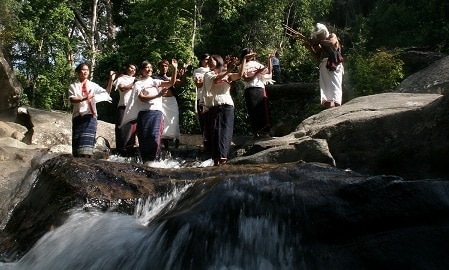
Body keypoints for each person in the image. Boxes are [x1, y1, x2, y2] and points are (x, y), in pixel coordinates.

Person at [122, 59, 178, 163]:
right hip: (144, 114)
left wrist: (174, 68)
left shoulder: (154, 81)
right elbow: (142, 98)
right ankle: (146, 161)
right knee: (144, 138)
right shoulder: (138, 84)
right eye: (147, 67)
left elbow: (171, 83)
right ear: (142, 70)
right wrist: (158, 95)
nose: (149, 69)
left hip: (156, 112)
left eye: (151, 68)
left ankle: (155, 161)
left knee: (154, 136)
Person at [203, 53, 253, 166]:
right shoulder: (208, 74)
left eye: (212, 60)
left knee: (226, 132)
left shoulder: (228, 75)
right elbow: (216, 79)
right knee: (217, 132)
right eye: (209, 60)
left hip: (228, 105)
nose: (210, 62)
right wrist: (227, 70)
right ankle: (217, 159)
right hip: (216, 105)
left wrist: (244, 59)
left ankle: (223, 158)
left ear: (218, 61)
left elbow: (240, 75)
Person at [68, 63, 114, 158]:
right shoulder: (73, 86)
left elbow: (106, 92)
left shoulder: (92, 85)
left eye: (87, 70)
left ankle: (87, 162)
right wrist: (85, 98)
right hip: (79, 117)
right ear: (78, 72)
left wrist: (111, 80)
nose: (85, 72)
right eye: (83, 69)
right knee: (78, 144)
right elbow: (72, 99)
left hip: (90, 117)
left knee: (88, 146)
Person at [306, 23, 344, 108]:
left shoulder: (332, 36)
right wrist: (310, 48)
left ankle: (338, 107)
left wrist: (318, 41)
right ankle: (330, 109)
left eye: (320, 34)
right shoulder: (320, 42)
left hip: (335, 65)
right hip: (325, 66)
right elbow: (317, 55)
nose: (319, 36)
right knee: (326, 90)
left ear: (324, 32)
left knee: (335, 88)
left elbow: (331, 43)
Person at [241, 48, 274, 139]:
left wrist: (269, 59)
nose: (251, 54)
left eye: (252, 53)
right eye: (249, 53)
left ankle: (265, 132)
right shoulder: (243, 66)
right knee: (253, 111)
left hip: (260, 88)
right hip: (250, 89)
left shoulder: (257, 64)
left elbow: (269, 71)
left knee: (263, 110)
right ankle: (255, 132)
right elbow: (246, 78)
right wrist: (256, 73)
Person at [153, 59, 186, 150]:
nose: (164, 67)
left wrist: (184, 71)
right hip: (161, 101)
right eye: (162, 66)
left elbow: (182, 82)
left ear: (168, 67)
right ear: (159, 67)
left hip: (172, 102)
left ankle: (176, 141)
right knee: (163, 121)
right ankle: (165, 144)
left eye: (166, 66)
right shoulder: (156, 79)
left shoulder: (171, 78)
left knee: (173, 121)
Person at [112, 63, 137, 155]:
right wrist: (134, 83)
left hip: (133, 107)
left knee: (132, 129)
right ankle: (120, 150)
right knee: (121, 128)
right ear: (127, 69)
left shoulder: (137, 80)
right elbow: (122, 88)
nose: (133, 70)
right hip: (123, 105)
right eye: (131, 67)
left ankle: (130, 150)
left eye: (134, 69)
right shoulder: (121, 79)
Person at [192, 53, 211, 152]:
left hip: (212, 98)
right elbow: (198, 84)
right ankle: (206, 143)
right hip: (202, 97)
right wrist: (209, 80)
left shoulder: (212, 70)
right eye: (206, 59)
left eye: (209, 59)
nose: (207, 61)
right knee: (203, 121)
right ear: (201, 60)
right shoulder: (197, 71)